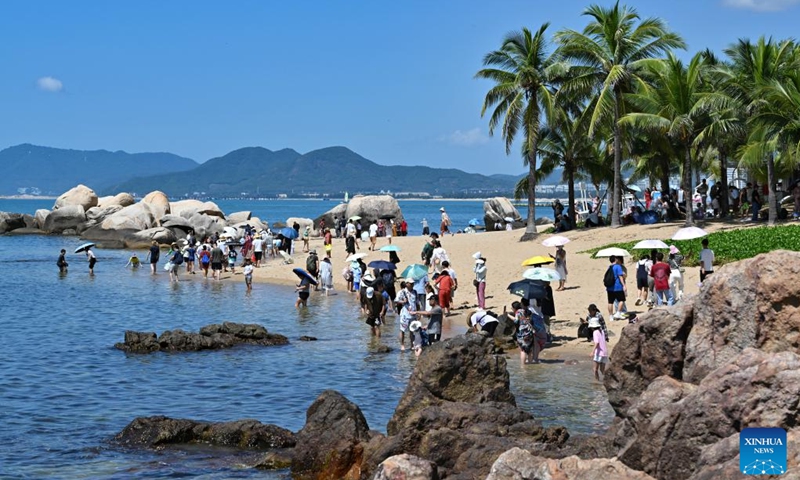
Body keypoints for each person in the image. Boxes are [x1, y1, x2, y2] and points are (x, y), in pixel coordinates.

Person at [396, 280, 417, 351]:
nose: (412, 285)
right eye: (411, 283)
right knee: (402, 330)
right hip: (405, 315)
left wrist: (418, 313)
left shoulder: (415, 292)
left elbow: (417, 303)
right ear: (407, 284)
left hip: (413, 314)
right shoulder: (402, 292)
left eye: (413, 283)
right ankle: (402, 345)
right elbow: (396, 301)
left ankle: (412, 344)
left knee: (413, 330)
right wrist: (403, 301)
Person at [605, 255, 627, 320]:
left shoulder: (609, 267)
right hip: (618, 287)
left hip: (609, 288)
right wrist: (624, 285)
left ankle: (610, 316)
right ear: (615, 259)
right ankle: (618, 312)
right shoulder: (618, 267)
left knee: (610, 302)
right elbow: (620, 277)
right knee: (621, 300)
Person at [589, 316, 608, 381]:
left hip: (599, 353)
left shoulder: (595, 332)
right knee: (602, 370)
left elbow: (597, 343)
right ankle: (608, 380)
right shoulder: (601, 331)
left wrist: (593, 351)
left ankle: (596, 382)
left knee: (595, 369)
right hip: (604, 352)